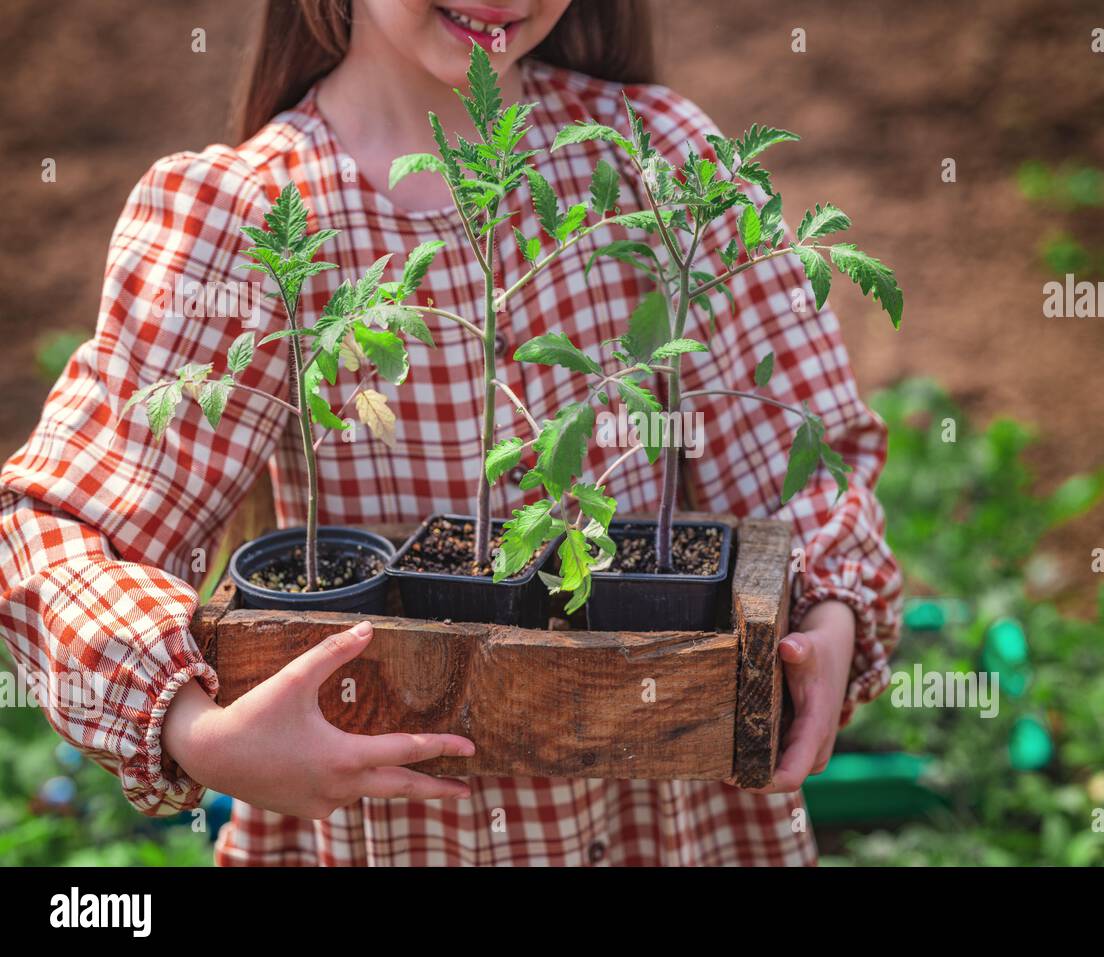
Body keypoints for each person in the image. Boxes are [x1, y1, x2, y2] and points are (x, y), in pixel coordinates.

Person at [0, 0, 901, 866]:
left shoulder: (656, 164)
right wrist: (201, 734)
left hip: (667, 811)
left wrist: (826, 619)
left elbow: (805, 472)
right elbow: (50, 533)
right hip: (384, 830)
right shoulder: (244, 219)